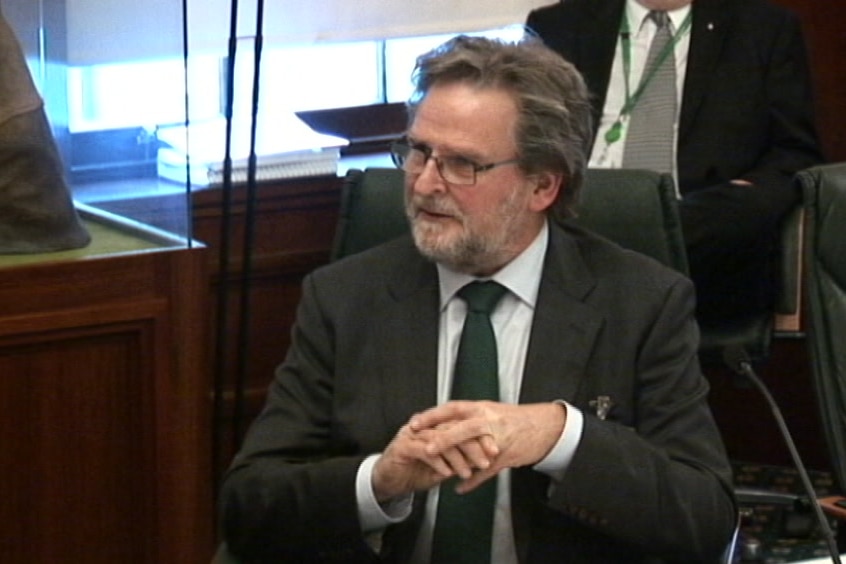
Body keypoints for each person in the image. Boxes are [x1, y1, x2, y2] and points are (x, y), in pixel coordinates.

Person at [218, 35, 736, 563]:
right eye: (419, 152)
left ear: (542, 186)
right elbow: (249, 507)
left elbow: (705, 519)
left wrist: (562, 437)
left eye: (462, 164)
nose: (424, 184)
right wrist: (380, 480)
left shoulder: (641, 302)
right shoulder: (345, 298)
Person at [526, 0, 824, 330]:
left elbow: (795, 154)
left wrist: (745, 196)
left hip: (701, 231)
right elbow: (528, 143)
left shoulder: (763, 29)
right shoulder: (558, 25)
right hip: (581, 213)